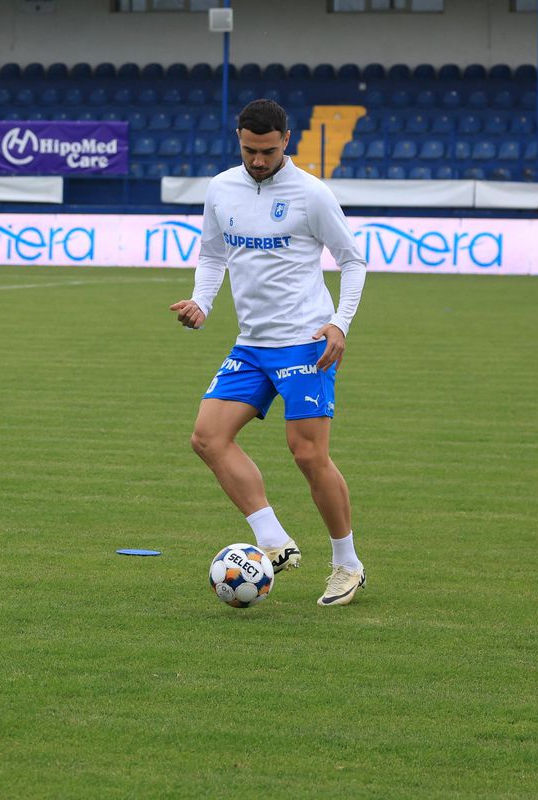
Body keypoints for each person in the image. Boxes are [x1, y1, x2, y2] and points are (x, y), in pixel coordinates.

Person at [169, 98, 368, 607]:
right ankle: (273, 539)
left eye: (267, 150)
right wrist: (203, 303)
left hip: (305, 341)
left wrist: (338, 324)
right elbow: (214, 253)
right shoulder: (221, 187)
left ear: (286, 140)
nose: (258, 160)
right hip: (251, 344)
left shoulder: (311, 194)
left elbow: (353, 260)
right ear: (238, 138)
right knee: (207, 438)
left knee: (307, 454)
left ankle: (347, 565)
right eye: (249, 150)